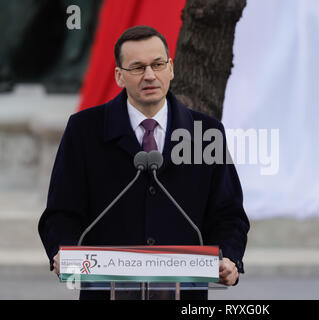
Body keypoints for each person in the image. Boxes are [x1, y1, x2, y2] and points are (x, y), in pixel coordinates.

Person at [38, 25, 250, 300]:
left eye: (157, 64)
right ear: (119, 76)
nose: (150, 75)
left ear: (171, 69)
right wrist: (63, 252)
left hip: (183, 293)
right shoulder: (85, 130)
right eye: (137, 68)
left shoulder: (204, 133)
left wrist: (228, 257)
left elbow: (229, 214)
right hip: (106, 290)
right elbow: (61, 213)